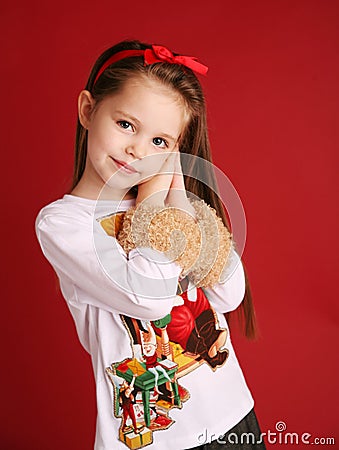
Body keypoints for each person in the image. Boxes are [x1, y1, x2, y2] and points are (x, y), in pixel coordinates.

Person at [35, 40, 265, 449]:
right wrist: (156, 200)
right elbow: (151, 298)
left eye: (160, 142)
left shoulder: (173, 205)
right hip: (152, 438)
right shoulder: (63, 224)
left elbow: (229, 293)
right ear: (88, 110)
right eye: (126, 124)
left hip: (233, 415)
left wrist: (178, 196)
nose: (137, 150)